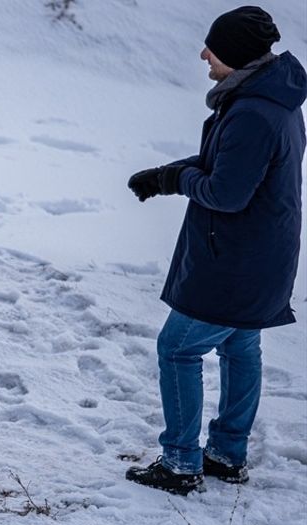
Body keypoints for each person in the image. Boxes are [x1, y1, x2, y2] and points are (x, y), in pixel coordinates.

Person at [125, 6, 303, 495]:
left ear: (238, 56)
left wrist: (180, 178)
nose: (204, 54)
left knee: (177, 348)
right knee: (240, 345)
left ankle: (181, 462)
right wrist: (166, 176)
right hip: (263, 254)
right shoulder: (273, 99)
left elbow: (226, 194)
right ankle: (227, 453)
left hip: (236, 260)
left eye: (213, 48)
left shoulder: (252, 112)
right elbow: (225, 166)